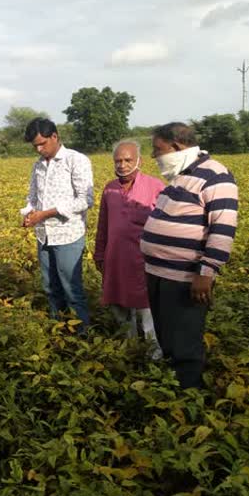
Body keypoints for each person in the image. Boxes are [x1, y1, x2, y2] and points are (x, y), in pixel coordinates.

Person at [141, 122, 238, 388]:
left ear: (176, 147)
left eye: (157, 149)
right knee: (167, 336)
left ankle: (188, 394)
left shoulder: (216, 175)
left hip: (184, 277)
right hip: (159, 273)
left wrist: (206, 273)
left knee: (184, 340)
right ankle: (171, 387)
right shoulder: (180, 176)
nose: (153, 156)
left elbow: (223, 228)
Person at [93, 140, 165, 358]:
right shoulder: (110, 188)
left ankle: (155, 354)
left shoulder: (156, 187)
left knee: (148, 308)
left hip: (145, 259)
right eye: (118, 160)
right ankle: (131, 347)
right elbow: (103, 224)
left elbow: (166, 225)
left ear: (139, 161)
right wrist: (99, 252)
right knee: (119, 302)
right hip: (115, 258)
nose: (122, 165)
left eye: (127, 160)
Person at [22, 118, 94, 332]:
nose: (39, 149)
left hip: (68, 235)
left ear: (55, 136)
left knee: (71, 289)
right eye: (35, 145)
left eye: (42, 143)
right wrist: (28, 213)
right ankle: (59, 332)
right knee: (50, 288)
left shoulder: (76, 160)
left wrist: (46, 213)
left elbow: (85, 200)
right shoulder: (38, 165)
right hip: (44, 235)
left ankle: (82, 336)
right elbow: (32, 198)